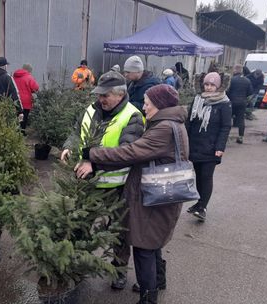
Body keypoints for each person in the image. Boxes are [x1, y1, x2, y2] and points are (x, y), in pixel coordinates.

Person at [75, 84, 187, 304]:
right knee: (153, 241)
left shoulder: (163, 129)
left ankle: (148, 298)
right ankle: (158, 280)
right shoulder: (169, 123)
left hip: (156, 195)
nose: (143, 107)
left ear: (160, 105)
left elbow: (131, 152)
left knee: (144, 246)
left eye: (147, 103)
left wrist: (93, 154)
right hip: (162, 193)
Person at [60, 70, 145, 290]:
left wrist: (94, 163)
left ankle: (118, 270)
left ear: (119, 94)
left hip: (117, 187)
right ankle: (78, 263)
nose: (101, 99)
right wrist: (69, 146)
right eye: (99, 94)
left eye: (106, 95)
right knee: (81, 224)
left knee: (118, 231)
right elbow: (76, 132)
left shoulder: (132, 116)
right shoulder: (90, 109)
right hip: (87, 182)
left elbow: (127, 152)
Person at [186, 72, 232, 222]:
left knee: (206, 176)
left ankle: (203, 207)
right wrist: (185, 140)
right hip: (196, 145)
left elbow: (225, 127)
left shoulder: (224, 103)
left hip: (212, 147)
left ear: (218, 86)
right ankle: (199, 202)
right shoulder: (198, 99)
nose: (209, 87)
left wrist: (220, 147)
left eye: (212, 85)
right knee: (198, 176)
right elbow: (190, 122)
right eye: (207, 84)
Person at [227, 64, 253, 144]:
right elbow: (250, 92)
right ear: (241, 71)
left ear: (234, 70)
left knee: (227, 119)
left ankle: (226, 136)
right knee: (241, 119)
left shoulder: (231, 80)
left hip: (231, 102)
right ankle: (240, 137)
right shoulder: (247, 80)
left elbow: (227, 91)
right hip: (242, 102)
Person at [13, 63, 39, 135]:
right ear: (29, 70)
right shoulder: (29, 77)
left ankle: (15, 132)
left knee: (17, 115)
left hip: (16, 100)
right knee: (24, 117)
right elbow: (36, 88)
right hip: (25, 101)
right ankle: (22, 132)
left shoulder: (14, 76)